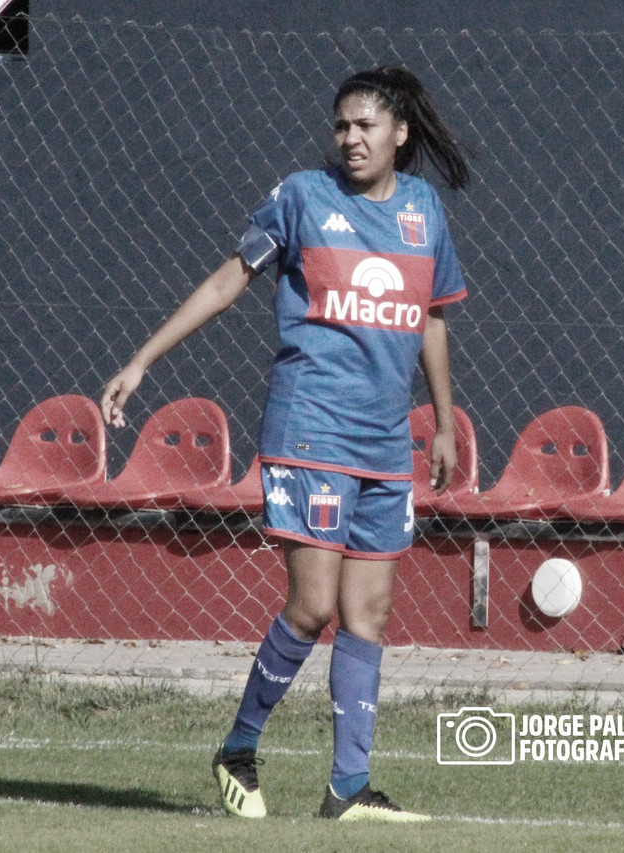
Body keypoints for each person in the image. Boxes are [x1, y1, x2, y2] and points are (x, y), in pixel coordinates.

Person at [100, 66, 471, 822]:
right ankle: (239, 745)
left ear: (400, 133)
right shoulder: (303, 196)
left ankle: (348, 788)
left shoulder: (424, 211)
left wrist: (442, 419)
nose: (351, 138)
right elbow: (228, 281)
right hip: (310, 430)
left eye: (366, 125)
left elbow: (432, 318)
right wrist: (142, 361)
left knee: (367, 616)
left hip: (383, 442)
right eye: (341, 125)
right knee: (311, 607)